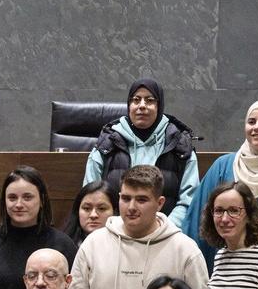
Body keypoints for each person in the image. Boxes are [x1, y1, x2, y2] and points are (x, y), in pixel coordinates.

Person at [69, 164, 207, 289]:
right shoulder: (93, 244)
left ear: (160, 203)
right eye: (126, 198)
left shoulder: (186, 250)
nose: (131, 207)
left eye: (141, 200)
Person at [82, 79, 202, 229]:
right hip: (113, 235)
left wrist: (161, 230)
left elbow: (188, 201)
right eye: (136, 100)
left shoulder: (180, 146)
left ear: (159, 106)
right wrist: (117, 231)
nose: (142, 105)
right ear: (129, 105)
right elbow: (91, 196)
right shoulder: (106, 145)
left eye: (150, 100)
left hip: (164, 236)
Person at [186, 100, 258, 259]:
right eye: (251, 122)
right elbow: (197, 220)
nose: (256, 127)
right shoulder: (223, 166)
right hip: (225, 262)